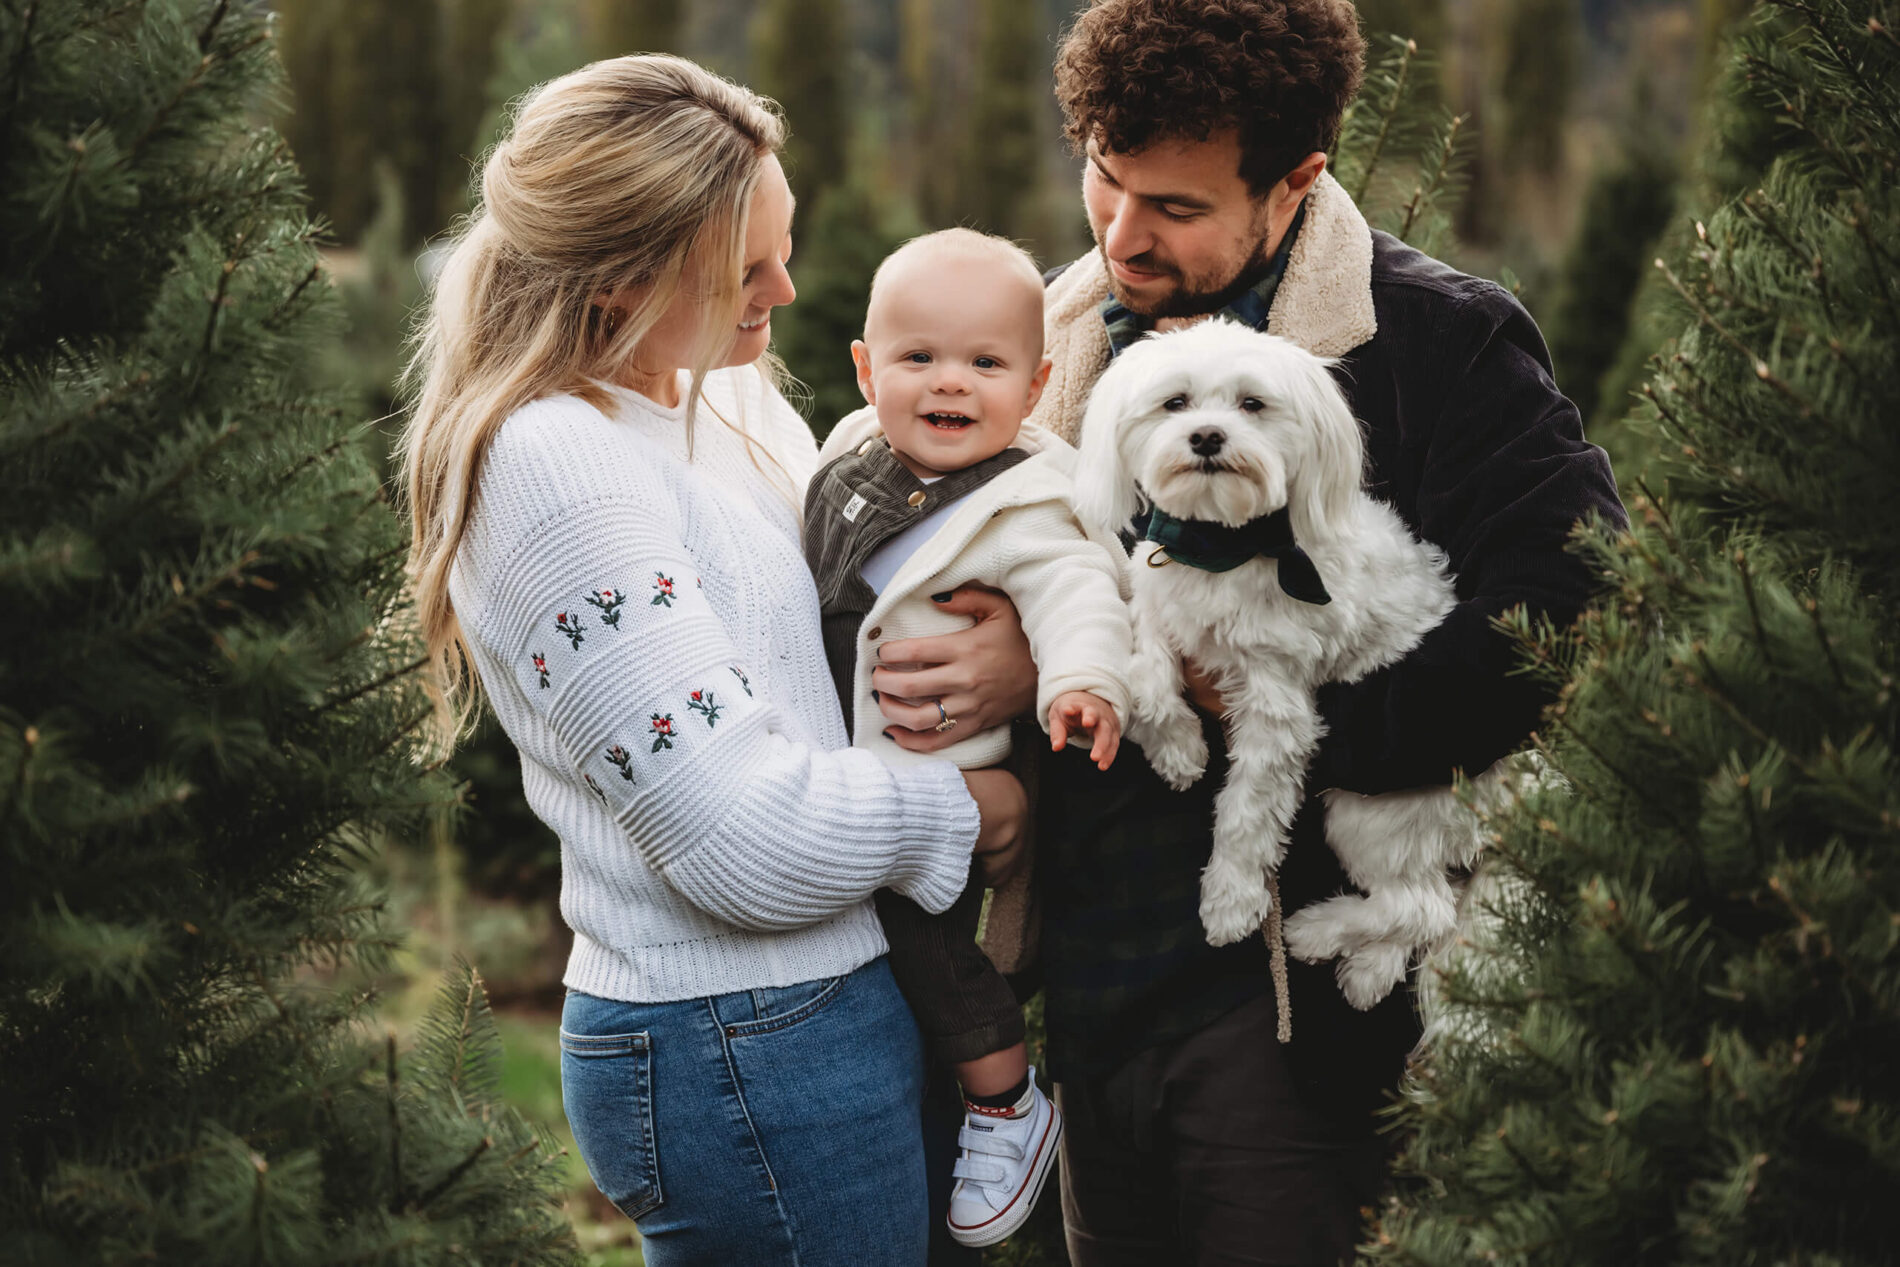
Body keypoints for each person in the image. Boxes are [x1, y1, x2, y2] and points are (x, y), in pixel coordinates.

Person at [394, 55, 1038, 1266]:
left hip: (836, 995)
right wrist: (969, 803)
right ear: (626, 276)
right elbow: (740, 835)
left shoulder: (718, 399)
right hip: (742, 1035)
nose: (786, 291)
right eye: (744, 271)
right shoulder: (556, 469)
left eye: (780, 248)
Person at [1017, 2, 1630, 1263]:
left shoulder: (1436, 342)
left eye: (1174, 209)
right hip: (1094, 993)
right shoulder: (1050, 331)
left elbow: (1571, 603)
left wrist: (1288, 721)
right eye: (1103, 179)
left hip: (1286, 1024)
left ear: (1295, 183)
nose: (1121, 235)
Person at [803, 228, 1131, 1247]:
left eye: (984, 365)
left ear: (1033, 386)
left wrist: (1077, 678)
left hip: (938, 775)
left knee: (926, 941)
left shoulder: (1025, 500)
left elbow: (1079, 592)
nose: (950, 384)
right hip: (848, 769)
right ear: (866, 369)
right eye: (918, 359)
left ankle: (1006, 1103)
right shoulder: (850, 466)